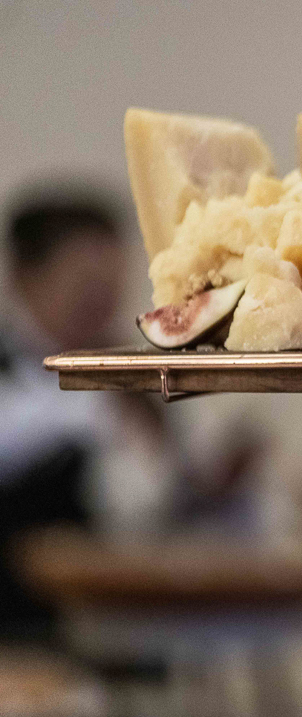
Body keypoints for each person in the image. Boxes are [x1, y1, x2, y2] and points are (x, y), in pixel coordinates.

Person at [0, 190, 128, 639]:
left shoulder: (134, 381)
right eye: (87, 287)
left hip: (124, 622)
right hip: (20, 632)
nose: (102, 304)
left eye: (111, 288)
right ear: (24, 279)